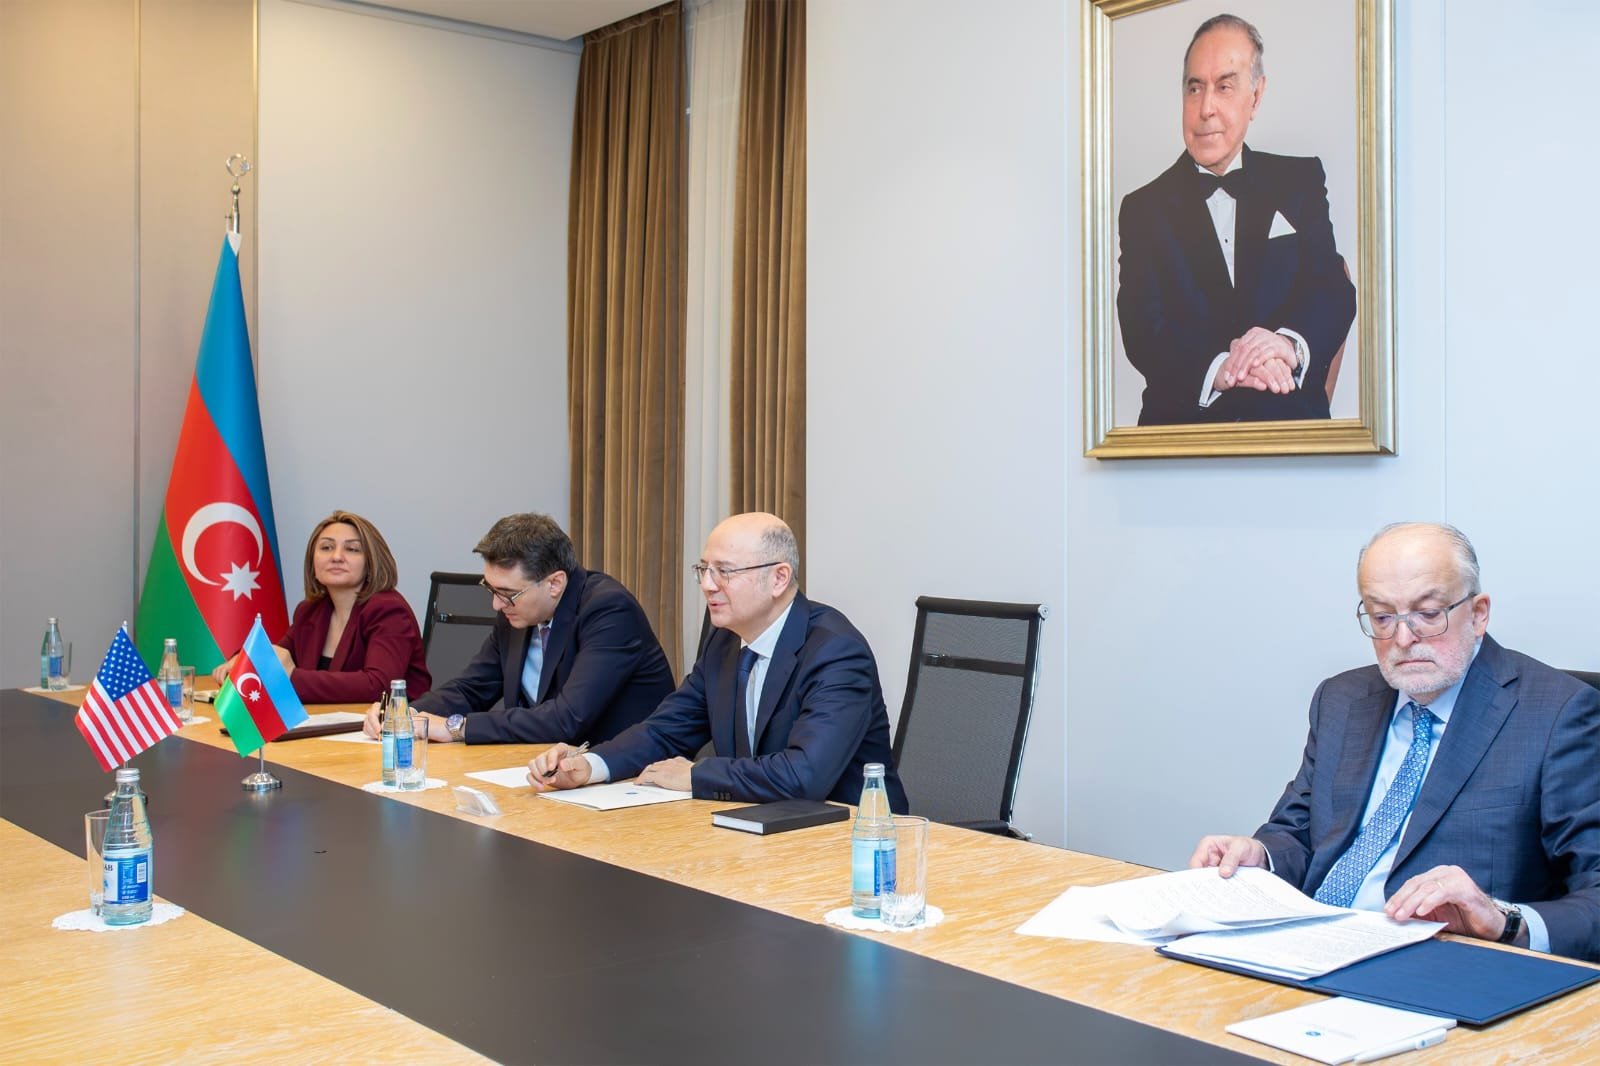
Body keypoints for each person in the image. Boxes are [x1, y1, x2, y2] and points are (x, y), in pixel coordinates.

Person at [1190, 523, 1600, 961]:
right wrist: (1262, 855)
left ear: (1478, 613)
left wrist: (1505, 921)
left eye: (1429, 613)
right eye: (1383, 617)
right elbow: (1299, 831)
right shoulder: (1342, 699)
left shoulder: (1558, 714)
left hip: (1439, 962)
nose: (1404, 639)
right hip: (1307, 946)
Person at [530, 512, 909, 811]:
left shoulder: (835, 651)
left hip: (851, 842)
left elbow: (804, 775)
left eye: (724, 572)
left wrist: (697, 775)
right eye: (704, 570)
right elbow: (666, 730)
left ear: (779, 578)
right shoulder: (724, 641)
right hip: (756, 827)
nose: (708, 585)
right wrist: (590, 766)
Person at [1116, 13, 1357, 425]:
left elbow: (1331, 287)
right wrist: (1221, 369)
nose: (1206, 108)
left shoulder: (1300, 180)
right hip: (1182, 433)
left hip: (1291, 426)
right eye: (1195, 88)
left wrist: (1285, 346)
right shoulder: (1142, 208)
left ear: (1256, 97)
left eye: (1225, 87)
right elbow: (1142, 327)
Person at [364, 512, 674, 746]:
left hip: (622, 777)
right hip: (543, 766)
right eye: (491, 589)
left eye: (507, 594)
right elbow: (472, 688)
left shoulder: (609, 611)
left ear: (554, 583)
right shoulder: (517, 611)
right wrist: (406, 713)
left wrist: (455, 728)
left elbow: (567, 719)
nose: (496, 605)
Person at [212, 510, 430, 703]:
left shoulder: (389, 610)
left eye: (352, 549)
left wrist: (292, 677)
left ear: (371, 563)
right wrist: (245, 659)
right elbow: (279, 654)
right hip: (327, 727)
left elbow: (379, 686)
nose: (337, 557)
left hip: (391, 731)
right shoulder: (311, 611)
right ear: (313, 562)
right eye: (326, 547)